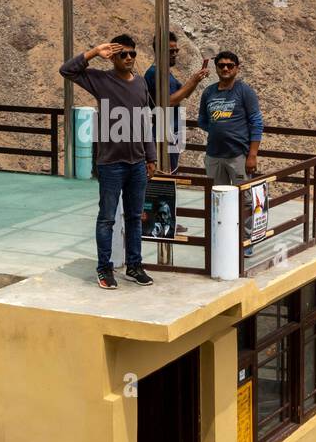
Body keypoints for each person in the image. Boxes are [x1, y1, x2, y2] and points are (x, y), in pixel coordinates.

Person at [60, 34, 156, 289]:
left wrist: (151, 156)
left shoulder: (141, 84)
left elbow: (145, 121)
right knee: (107, 218)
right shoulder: (101, 80)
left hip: (137, 163)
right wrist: (93, 52)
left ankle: (134, 266)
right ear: (112, 56)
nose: (128, 58)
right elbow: (66, 70)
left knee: (135, 217)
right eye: (122, 54)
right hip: (111, 163)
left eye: (132, 54)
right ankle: (104, 268)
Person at [198, 51, 264, 255]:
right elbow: (203, 120)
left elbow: (256, 122)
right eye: (221, 65)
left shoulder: (244, 91)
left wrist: (252, 155)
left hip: (238, 156)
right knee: (216, 197)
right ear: (216, 68)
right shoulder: (209, 93)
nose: (225, 68)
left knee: (244, 199)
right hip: (214, 155)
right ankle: (220, 236)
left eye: (230, 65)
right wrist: (220, 131)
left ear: (237, 68)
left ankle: (245, 240)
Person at [144, 31, 208, 176]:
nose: (175, 54)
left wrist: (196, 80)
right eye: (171, 51)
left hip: (172, 130)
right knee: (165, 174)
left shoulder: (167, 73)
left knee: (171, 171)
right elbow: (169, 102)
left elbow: (184, 94)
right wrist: (193, 80)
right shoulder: (154, 73)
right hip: (163, 131)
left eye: (176, 50)